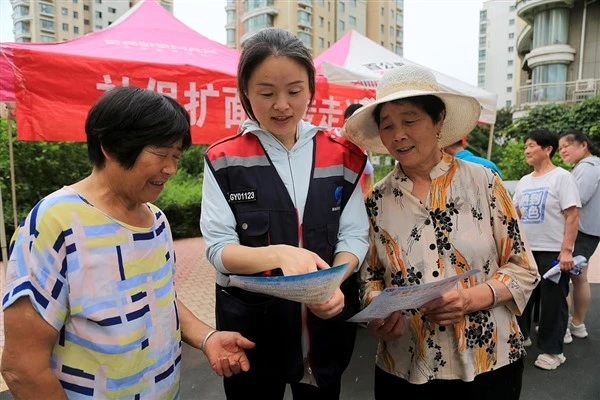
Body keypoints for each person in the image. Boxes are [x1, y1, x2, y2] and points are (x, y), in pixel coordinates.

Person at [1, 86, 255, 399]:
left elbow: (158, 298)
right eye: (161, 154)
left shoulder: (156, 220)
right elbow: (22, 367)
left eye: (176, 156)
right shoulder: (55, 223)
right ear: (111, 146)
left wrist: (206, 337)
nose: (171, 169)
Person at [343, 64, 539, 399]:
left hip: (491, 362)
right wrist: (377, 313)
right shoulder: (375, 202)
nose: (398, 134)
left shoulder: (484, 183)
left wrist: (468, 298)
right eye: (387, 125)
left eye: (410, 120)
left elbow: (523, 269)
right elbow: (370, 278)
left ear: (438, 121)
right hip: (405, 365)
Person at [200, 28, 369, 399]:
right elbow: (218, 249)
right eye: (266, 93)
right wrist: (279, 254)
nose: (282, 105)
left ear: (311, 88)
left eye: (294, 91)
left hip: (326, 333)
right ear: (245, 91)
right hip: (253, 335)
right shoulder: (223, 160)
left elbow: (354, 235)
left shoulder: (343, 156)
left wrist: (335, 282)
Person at [513, 129, 581, 370]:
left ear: (547, 149)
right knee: (522, 297)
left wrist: (566, 250)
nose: (527, 150)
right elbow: (516, 214)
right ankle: (522, 337)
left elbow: (572, 215)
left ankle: (553, 351)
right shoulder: (524, 181)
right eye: (525, 147)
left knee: (553, 302)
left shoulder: (562, 177)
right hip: (526, 252)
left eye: (531, 145)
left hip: (552, 251)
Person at [558, 129, 600, 342]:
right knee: (579, 277)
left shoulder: (587, 167)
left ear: (583, 145)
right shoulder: (591, 166)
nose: (562, 151)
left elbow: (575, 200)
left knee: (563, 277)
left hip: (580, 232)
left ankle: (563, 328)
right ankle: (577, 324)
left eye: (567, 146)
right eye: (560, 148)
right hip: (590, 232)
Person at [339, 103, 374, 194]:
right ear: (347, 122)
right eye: (358, 127)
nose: (361, 133)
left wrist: (364, 193)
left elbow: (368, 171)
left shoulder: (360, 149)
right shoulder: (329, 141)